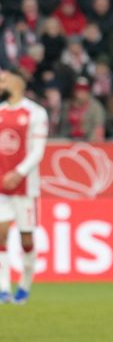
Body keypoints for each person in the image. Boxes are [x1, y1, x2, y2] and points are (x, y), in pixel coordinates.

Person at [0, 70, 48, 304]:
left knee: (26, 239)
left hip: (25, 187)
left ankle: (25, 284)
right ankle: (3, 288)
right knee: (0, 235)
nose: (1, 83)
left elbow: (38, 151)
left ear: (17, 82)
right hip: (1, 186)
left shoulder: (36, 112)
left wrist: (18, 173)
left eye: (3, 80)